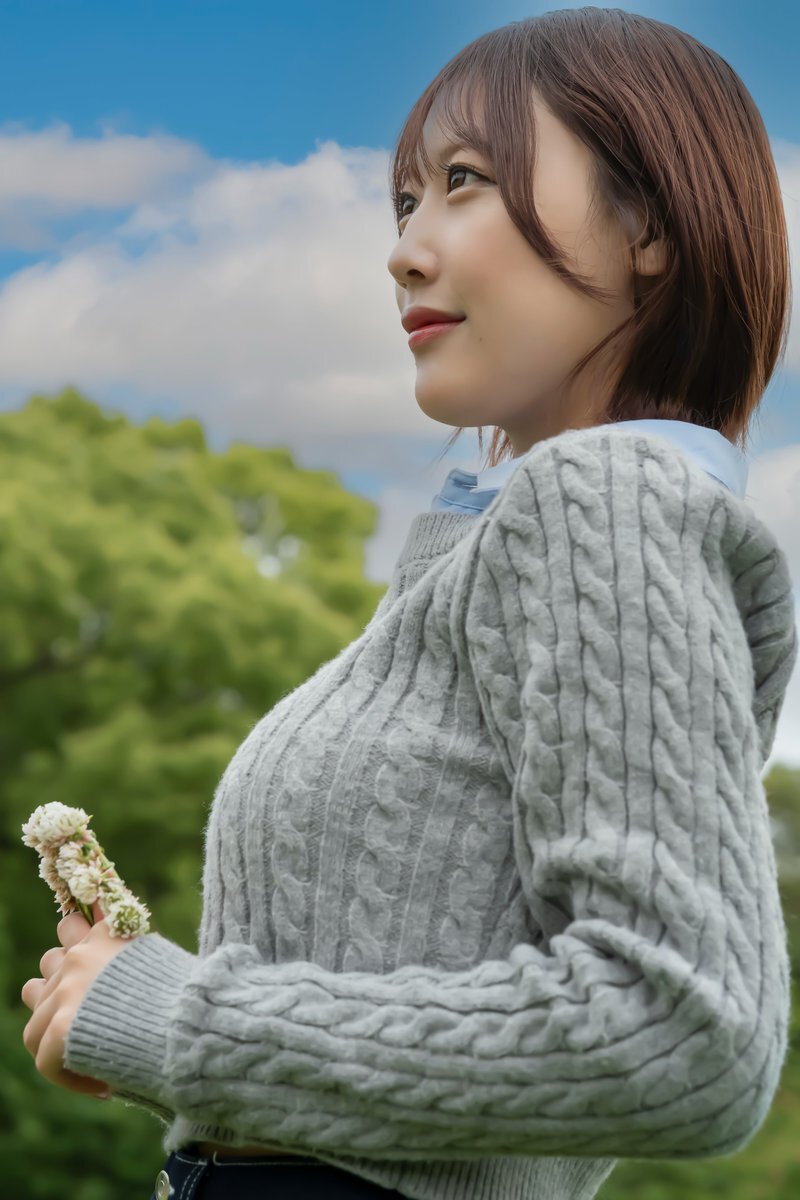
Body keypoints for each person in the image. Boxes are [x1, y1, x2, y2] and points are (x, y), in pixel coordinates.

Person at [21, 8, 797, 1200]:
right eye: (402, 202)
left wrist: (177, 1019)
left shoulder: (606, 505)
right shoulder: (517, 536)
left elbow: (679, 1032)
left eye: (463, 180)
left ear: (646, 223)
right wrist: (136, 1020)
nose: (403, 250)